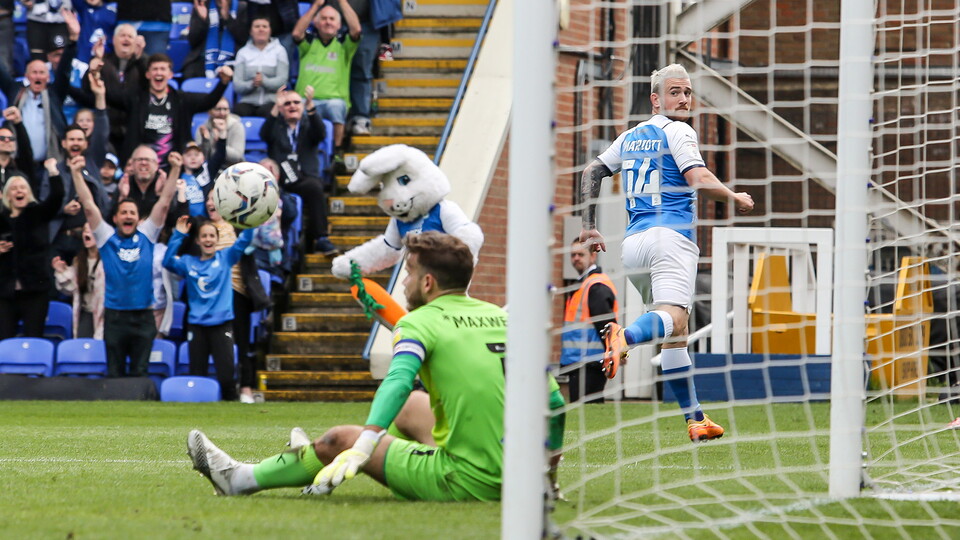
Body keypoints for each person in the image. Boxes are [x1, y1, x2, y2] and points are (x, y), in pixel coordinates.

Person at [186, 232, 515, 500]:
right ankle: (319, 461)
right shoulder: (501, 316)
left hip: (466, 480)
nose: (403, 283)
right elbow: (554, 403)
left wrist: (365, 443)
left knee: (340, 438)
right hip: (519, 478)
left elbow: (398, 381)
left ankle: (239, 479)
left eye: (409, 273)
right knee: (412, 406)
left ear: (427, 283)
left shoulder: (418, 322)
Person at [579, 63, 755, 442]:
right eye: (675, 91)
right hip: (669, 239)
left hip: (634, 246)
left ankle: (696, 419)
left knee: (677, 331)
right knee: (673, 317)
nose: (684, 98)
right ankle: (622, 336)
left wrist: (588, 225)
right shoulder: (679, 131)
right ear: (656, 99)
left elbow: (591, 172)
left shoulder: (629, 137)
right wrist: (732, 196)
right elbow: (698, 178)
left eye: (688, 92)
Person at [72, 150, 181, 377]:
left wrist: (176, 169)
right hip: (115, 317)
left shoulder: (147, 235)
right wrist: (75, 173)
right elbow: (89, 205)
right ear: (116, 218)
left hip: (144, 316)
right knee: (114, 373)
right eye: (124, 213)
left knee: (140, 373)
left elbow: (164, 202)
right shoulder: (106, 238)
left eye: (132, 212)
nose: (128, 216)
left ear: (139, 218)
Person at [164, 215, 256, 402]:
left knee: (226, 376)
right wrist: (178, 235)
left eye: (212, 236)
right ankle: (199, 418)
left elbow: (245, 240)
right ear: (197, 240)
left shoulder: (226, 258)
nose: (208, 240)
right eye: (204, 236)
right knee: (197, 374)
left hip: (222, 325)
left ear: (217, 239)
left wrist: (250, 221)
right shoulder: (189, 262)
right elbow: (167, 262)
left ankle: (230, 412)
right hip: (196, 326)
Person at [103, 53, 233, 167]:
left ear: (170, 74)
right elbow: (111, 96)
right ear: (148, 74)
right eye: (155, 69)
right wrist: (96, 73)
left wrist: (223, 83)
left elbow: (208, 101)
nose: (158, 73)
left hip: (173, 166)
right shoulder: (135, 98)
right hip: (140, 166)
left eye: (162, 69)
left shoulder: (182, 100)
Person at [261, 86, 336, 255]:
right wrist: (275, 106)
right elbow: (264, 134)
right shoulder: (276, 126)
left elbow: (321, 134)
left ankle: (321, 238)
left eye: (296, 102)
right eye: (287, 104)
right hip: (281, 180)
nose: (292, 106)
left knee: (315, 188)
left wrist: (311, 107)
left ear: (302, 107)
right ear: (281, 109)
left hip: (305, 178)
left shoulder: (309, 124)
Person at [0, 161, 63, 339]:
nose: (19, 191)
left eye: (23, 187)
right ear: (7, 195)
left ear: (29, 193)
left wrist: (53, 171)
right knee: (3, 341)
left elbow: (57, 196)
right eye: (14, 188)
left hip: (35, 289)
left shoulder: (38, 213)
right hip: (4, 291)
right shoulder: (1, 219)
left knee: (34, 337)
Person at [292, 0, 361, 152]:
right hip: (306, 100)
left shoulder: (344, 45)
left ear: (338, 24)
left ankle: (336, 152)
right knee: (295, 106)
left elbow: (356, 29)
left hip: (333, 100)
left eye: (332, 19)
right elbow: (297, 33)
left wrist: (341, 1)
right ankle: (297, 149)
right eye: (323, 19)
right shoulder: (309, 43)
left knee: (336, 107)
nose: (328, 22)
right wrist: (316, 6)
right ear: (316, 23)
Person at [561, 237, 618, 404]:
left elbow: (605, 323)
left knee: (587, 411)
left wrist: (615, 350)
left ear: (593, 256)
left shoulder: (595, 285)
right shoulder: (585, 284)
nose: (576, 258)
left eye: (580, 254)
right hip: (580, 361)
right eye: (573, 255)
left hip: (590, 363)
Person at [52, 223, 105, 339]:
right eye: (84, 230)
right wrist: (62, 272)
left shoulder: (109, 260)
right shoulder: (78, 261)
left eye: (90, 230)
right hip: (86, 313)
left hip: (107, 315)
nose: (86, 233)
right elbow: (71, 289)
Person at [233, 16, 289, 118]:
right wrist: (252, 84)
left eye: (264, 26)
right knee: (237, 111)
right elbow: (237, 85)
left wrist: (264, 81)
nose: (261, 29)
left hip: (271, 101)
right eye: (257, 26)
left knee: (270, 113)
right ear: (250, 31)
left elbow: (282, 81)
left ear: (270, 30)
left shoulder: (280, 51)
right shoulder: (243, 53)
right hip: (248, 101)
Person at [182, 0, 246, 79]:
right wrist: (203, 20)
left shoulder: (241, 7)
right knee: (190, 73)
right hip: (204, 59)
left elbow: (243, 39)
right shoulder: (203, 6)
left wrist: (228, 18)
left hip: (231, 59)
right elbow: (193, 41)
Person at [195, 97, 244, 168]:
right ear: (209, 111)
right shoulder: (203, 128)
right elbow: (202, 157)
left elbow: (237, 156)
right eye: (218, 109)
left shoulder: (237, 126)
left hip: (232, 167)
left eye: (225, 109)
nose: (222, 113)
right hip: (209, 168)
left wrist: (219, 142)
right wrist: (205, 141)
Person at [0, 107, 36, 190]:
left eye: (11, 138)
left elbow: (26, 151)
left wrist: (18, 123)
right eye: (2, 138)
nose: (7, 141)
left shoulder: (20, 168)